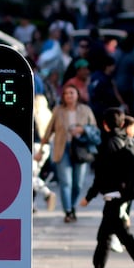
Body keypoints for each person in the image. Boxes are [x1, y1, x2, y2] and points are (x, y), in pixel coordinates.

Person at [77, 108, 134, 268]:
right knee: (105, 238)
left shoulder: (108, 144)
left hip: (114, 198)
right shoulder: (126, 141)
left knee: (124, 238)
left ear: (105, 124)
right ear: (122, 124)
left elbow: (101, 175)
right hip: (121, 197)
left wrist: (89, 197)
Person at [35, 84, 97, 223]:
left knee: (78, 184)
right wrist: (40, 150)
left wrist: (82, 130)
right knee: (65, 182)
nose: (69, 95)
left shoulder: (85, 110)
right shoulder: (58, 110)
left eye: (72, 93)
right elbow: (49, 130)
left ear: (77, 95)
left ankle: (73, 206)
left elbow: (94, 129)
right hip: (62, 149)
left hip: (80, 149)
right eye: (66, 93)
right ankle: (68, 210)